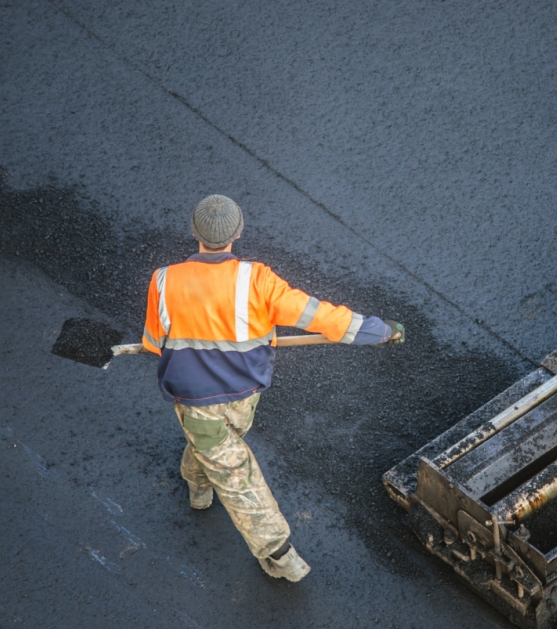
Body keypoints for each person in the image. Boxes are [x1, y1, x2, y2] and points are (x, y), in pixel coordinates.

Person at [141, 195, 404, 582]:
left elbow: (152, 341)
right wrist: (380, 331)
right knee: (236, 472)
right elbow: (321, 316)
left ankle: (198, 484)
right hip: (245, 394)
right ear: (238, 233)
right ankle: (278, 553)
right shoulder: (257, 280)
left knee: (217, 449)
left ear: (194, 233)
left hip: (195, 401)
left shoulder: (163, 280)